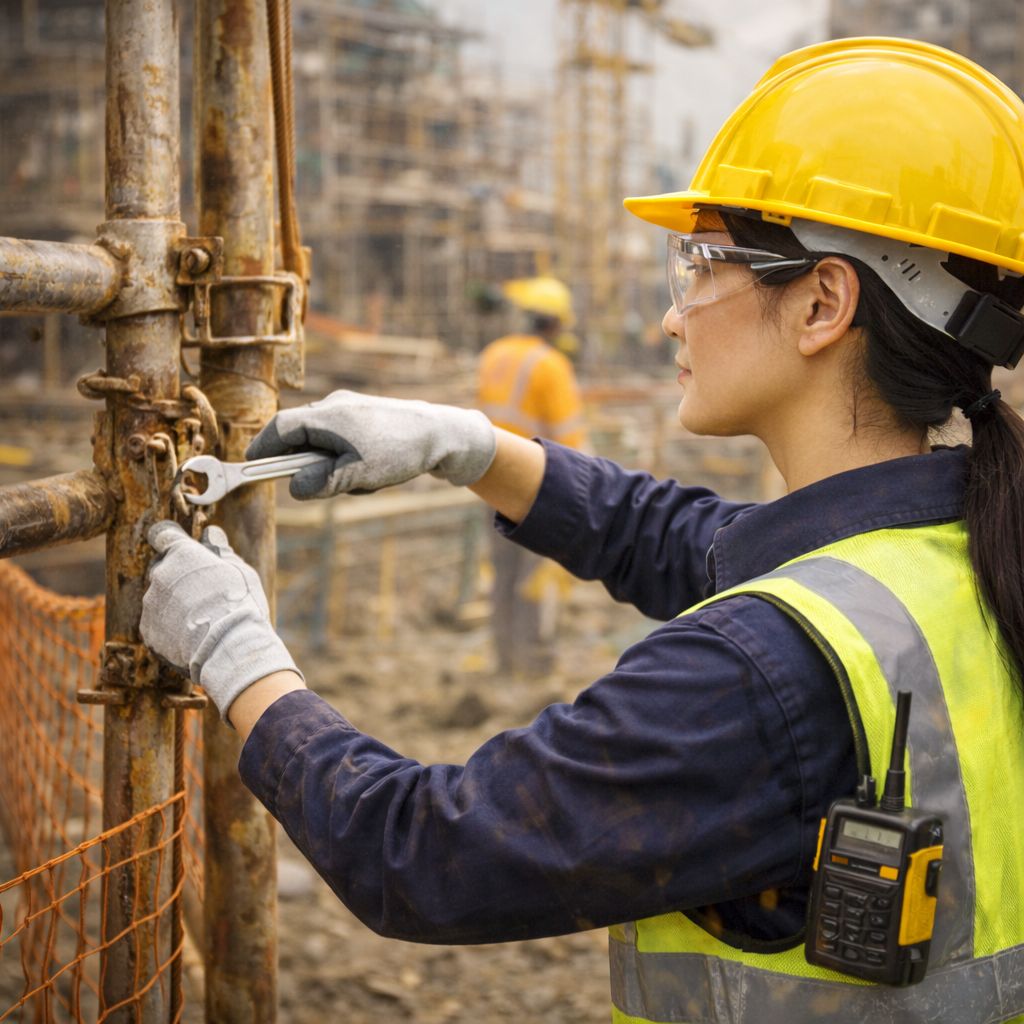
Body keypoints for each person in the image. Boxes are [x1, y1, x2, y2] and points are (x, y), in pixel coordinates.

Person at [141, 37, 1024, 1024]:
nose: (669, 314)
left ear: (822, 302)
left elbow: (423, 853)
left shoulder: (759, 672)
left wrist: (237, 656)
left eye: (698, 262)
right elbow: (681, 537)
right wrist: (469, 447)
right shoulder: (959, 544)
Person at [477, 275, 588, 673]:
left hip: (489, 484)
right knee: (536, 578)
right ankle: (533, 662)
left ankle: (504, 659)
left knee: (501, 576)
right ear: (555, 323)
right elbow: (571, 439)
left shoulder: (492, 355)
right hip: (538, 490)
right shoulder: (551, 365)